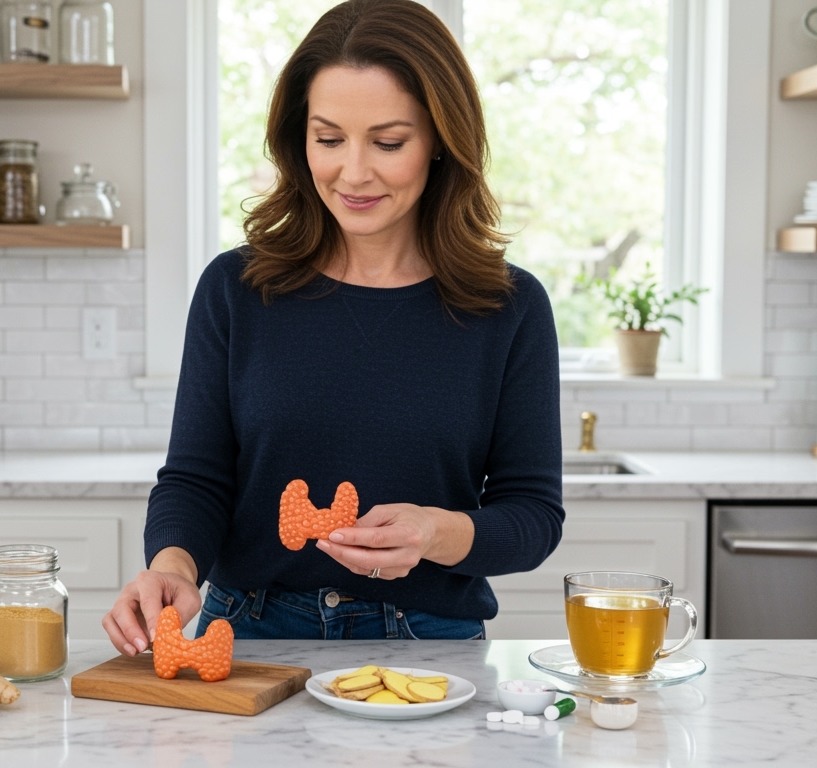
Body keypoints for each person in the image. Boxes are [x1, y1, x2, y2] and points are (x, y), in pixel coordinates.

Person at [103, 0, 563, 654]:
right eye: (328, 138)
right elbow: (196, 480)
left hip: (427, 643)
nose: (352, 172)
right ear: (300, 139)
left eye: (388, 141)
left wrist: (437, 533)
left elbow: (532, 517)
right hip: (248, 634)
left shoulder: (509, 306)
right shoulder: (235, 290)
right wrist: (171, 570)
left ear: (440, 141)